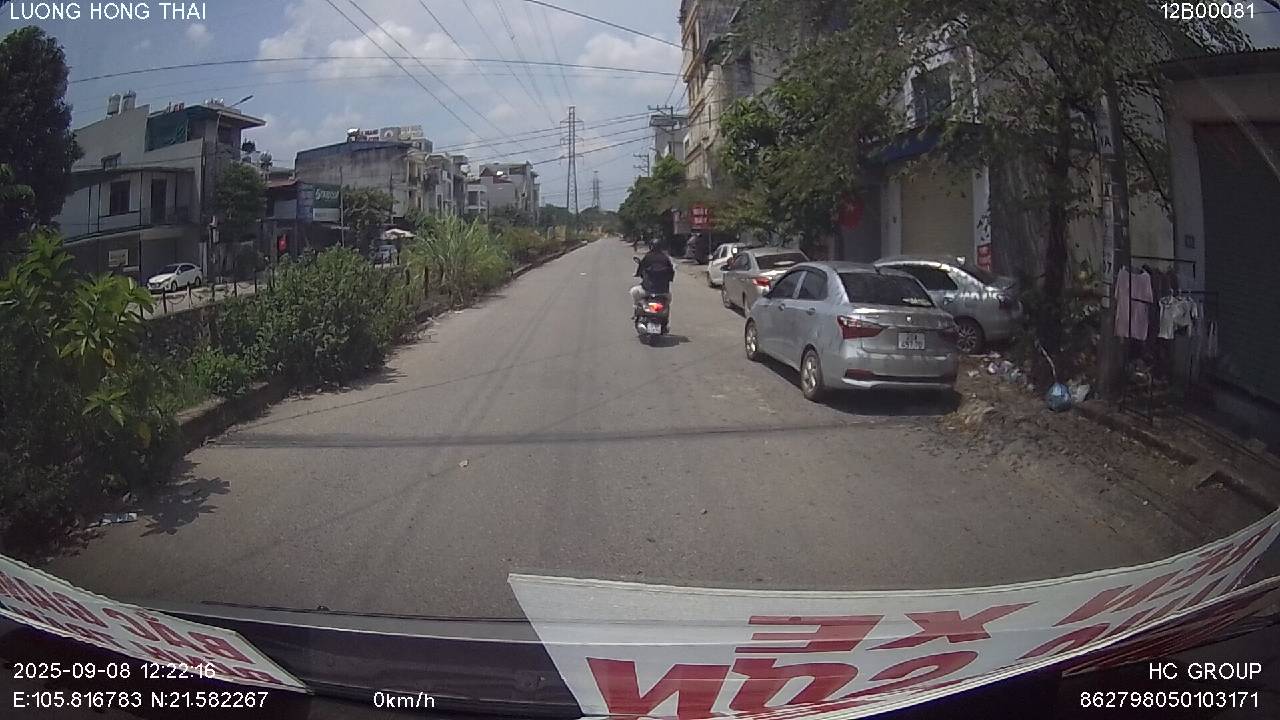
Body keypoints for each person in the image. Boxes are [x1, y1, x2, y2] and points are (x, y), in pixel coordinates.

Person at [631, 240, 675, 305]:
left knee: (633, 291)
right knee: (668, 300)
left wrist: (637, 274)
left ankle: (636, 307)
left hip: (647, 290)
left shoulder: (648, 257)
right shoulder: (665, 258)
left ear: (651, 247)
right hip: (664, 291)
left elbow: (641, 267)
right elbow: (671, 272)